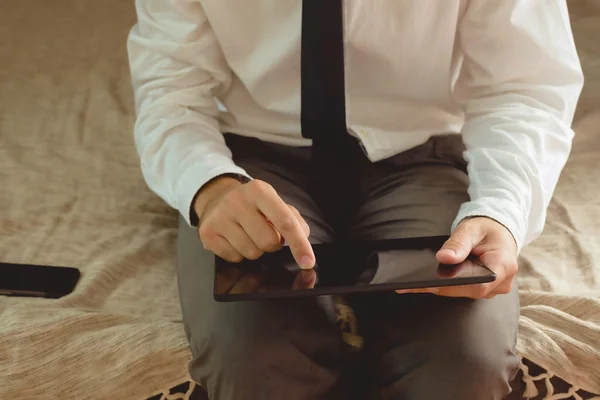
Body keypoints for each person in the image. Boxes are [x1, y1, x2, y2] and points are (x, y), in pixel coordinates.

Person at [127, 1, 583, 399]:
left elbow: (522, 85)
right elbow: (170, 89)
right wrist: (210, 185)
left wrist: (500, 210)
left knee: (464, 362)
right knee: (255, 360)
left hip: (420, 154)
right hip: (251, 162)